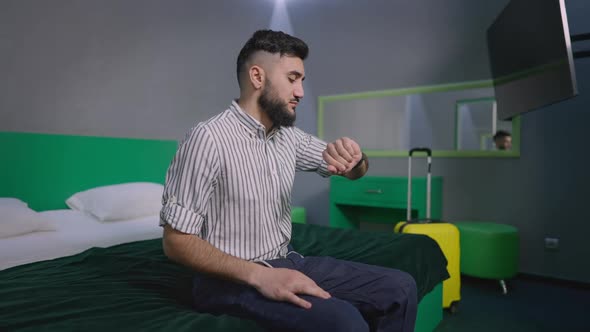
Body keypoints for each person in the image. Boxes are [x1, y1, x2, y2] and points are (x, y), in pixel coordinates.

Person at [159, 30, 417, 332]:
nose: (301, 92)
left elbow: (352, 172)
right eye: (292, 78)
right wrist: (259, 275)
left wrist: (355, 158)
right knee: (343, 322)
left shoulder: (288, 137)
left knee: (401, 289)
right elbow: (176, 243)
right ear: (257, 77)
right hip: (228, 280)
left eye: (302, 81)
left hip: (288, 260)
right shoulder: (207, 138)